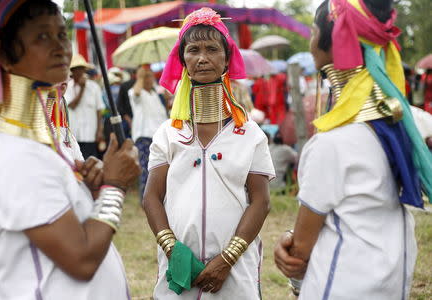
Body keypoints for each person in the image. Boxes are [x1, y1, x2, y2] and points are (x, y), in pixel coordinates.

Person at [274, 0, 432, 299]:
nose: (310, 44)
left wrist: (288, 243)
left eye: (312, 32)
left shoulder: (331, 145)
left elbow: (300, 251)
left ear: (334, 42)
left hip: (342, 284)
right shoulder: (402, 127)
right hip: (391, 280)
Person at [0, 1, 140, 299]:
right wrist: (114, 188)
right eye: (42, 37)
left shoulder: (42, 143)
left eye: (61, 34)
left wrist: (91, 191)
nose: (61, 48)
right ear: (2, 54)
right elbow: (81, 260)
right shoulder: (14, 154)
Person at [143, 8, 275, 299]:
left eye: (212, 49)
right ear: (182, 60)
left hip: (234, 272)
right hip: (178, 270)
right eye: (193, 50)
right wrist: (173, 250)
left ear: (227, 58)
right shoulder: (168, 132)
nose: (202, 58)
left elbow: (261, 201)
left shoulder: (249, 134)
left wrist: (227, 259)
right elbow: (151, 197)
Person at [129, 66, 168, 201]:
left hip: (160, 136)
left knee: (161, 168)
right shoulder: (134, 92)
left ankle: (160, 198)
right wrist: (140, 77)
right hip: (144, 136)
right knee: (147, 169)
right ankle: (146, 200)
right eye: (147, 76)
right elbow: (137, 94)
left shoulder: (156, 94)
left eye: (151, 76)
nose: (150, 79)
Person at [65, 53, 105, 159]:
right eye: (76, 69)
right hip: (74, 135)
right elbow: (72, 106)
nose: (79, 71)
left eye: (81, 69)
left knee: (92, 161)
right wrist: (82, 89)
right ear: (72, 71)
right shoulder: (67, 87)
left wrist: (99, 131)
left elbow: (99, 111)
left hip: (90, 135)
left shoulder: (94, 87)